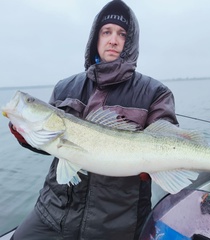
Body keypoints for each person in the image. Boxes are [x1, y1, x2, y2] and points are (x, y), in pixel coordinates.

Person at [9, 0, 178, 239]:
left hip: (117, 223)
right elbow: (52, 144)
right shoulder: (65, 86)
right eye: (106, 32)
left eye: (121, 34)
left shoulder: (155, 92)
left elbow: (168, 136)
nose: (113, 40)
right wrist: (27, 136)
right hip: (54, 210)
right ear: (95, 38)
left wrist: (155, 168)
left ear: (130, 42)